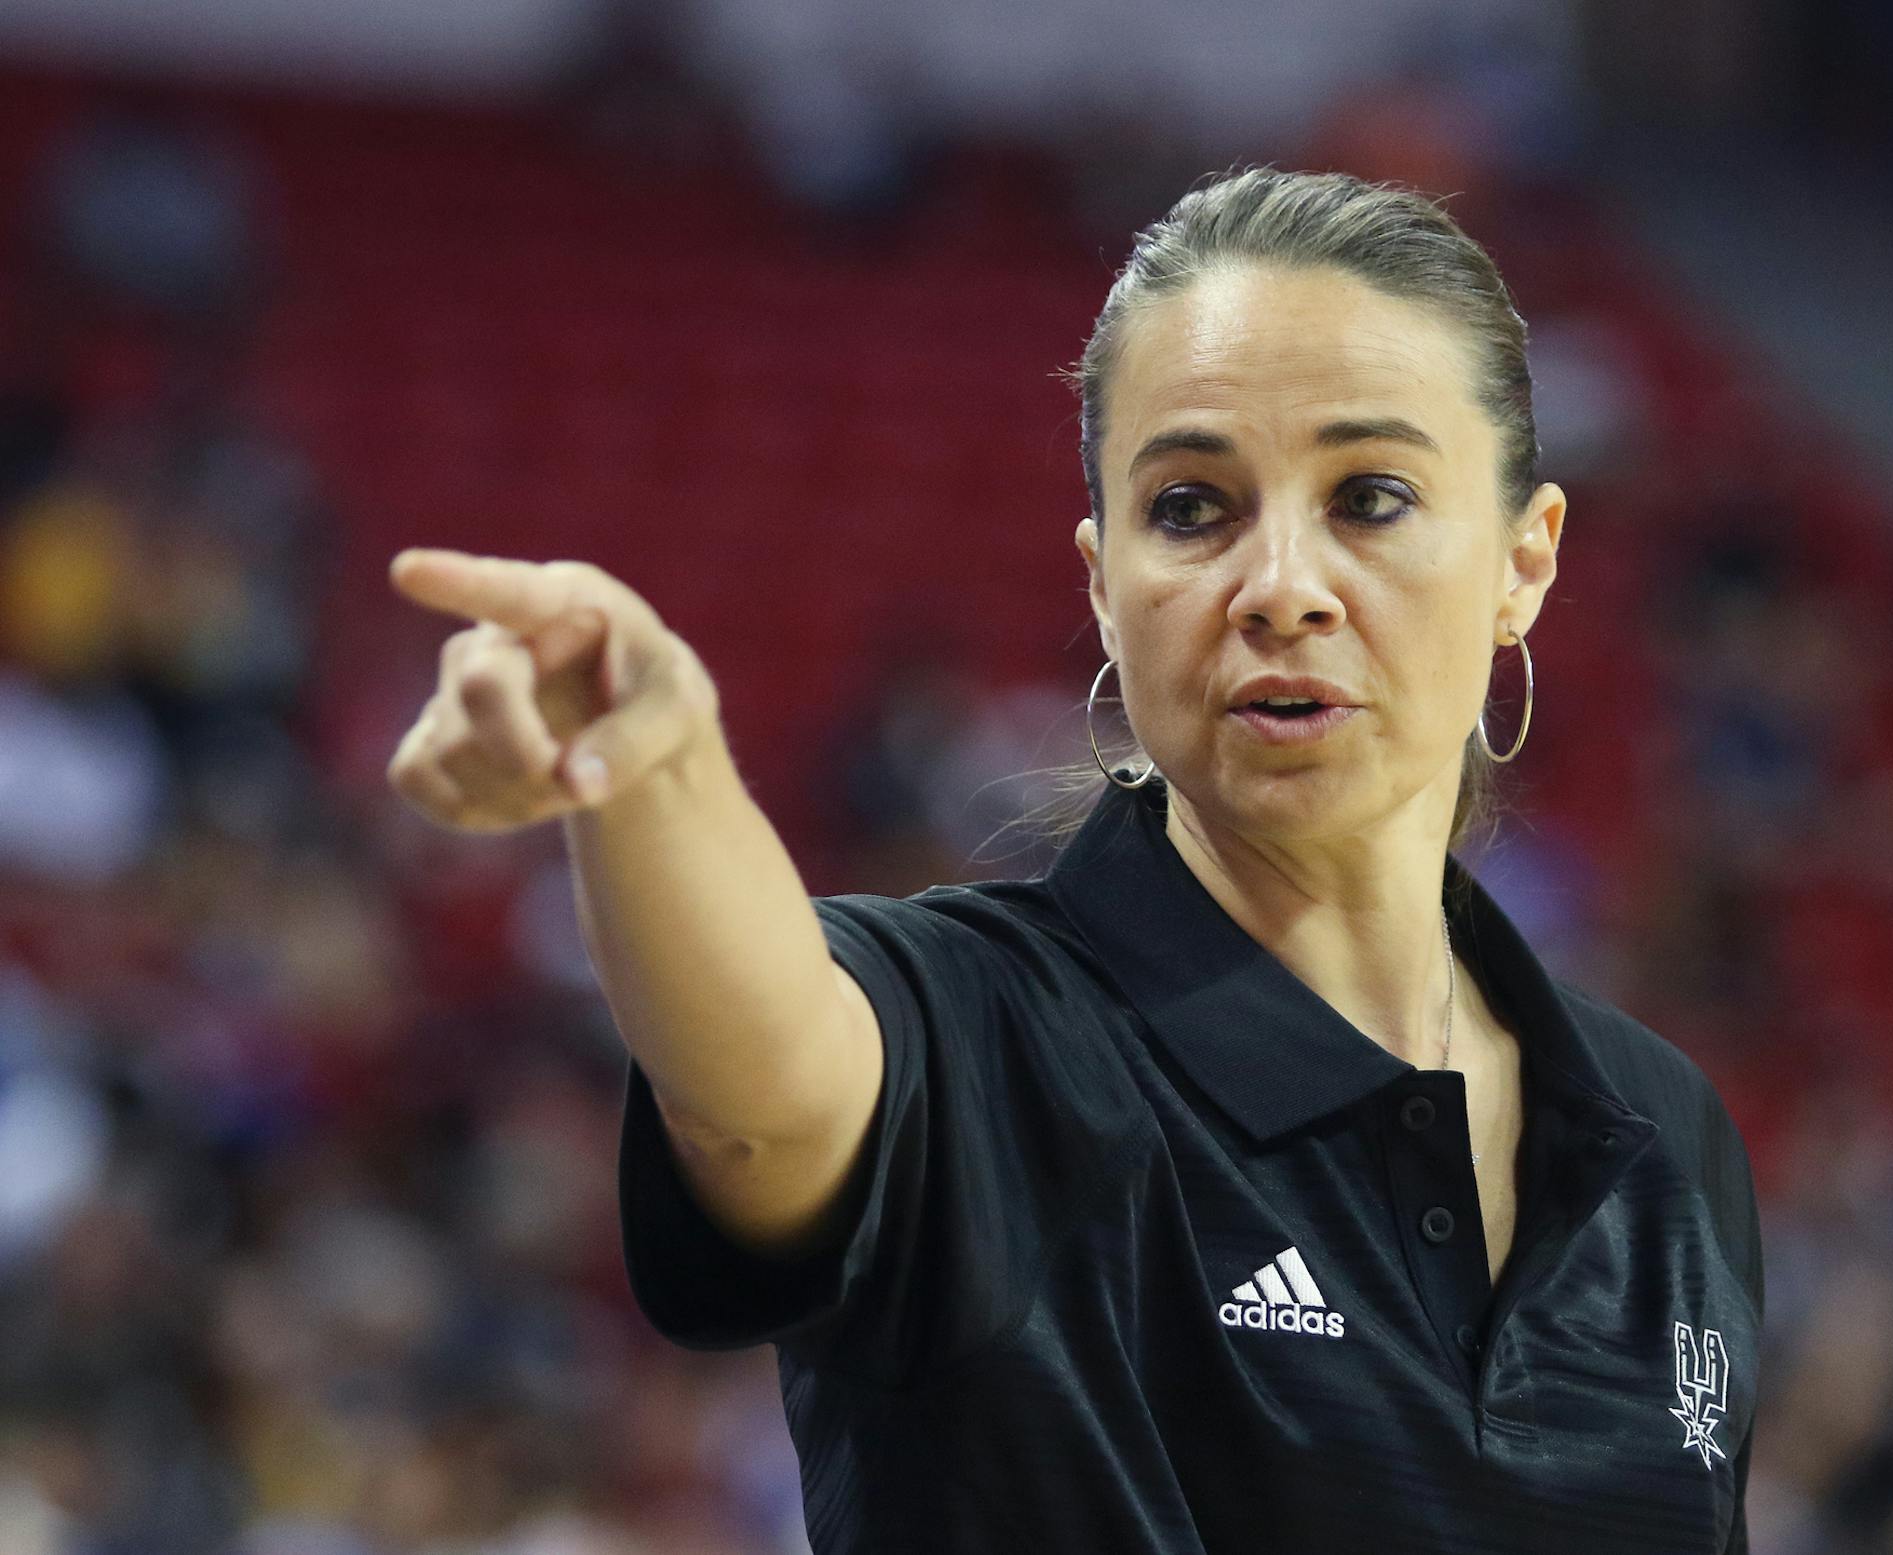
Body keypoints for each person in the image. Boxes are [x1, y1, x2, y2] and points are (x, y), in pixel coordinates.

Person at [386, 166, 1763, 1553]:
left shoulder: (1663, 1134)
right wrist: (655, 769)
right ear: (1105, 585)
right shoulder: (979, 1032)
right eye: (1191, 507)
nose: (1282, 582)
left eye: (1372, 495)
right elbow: (766, 1085)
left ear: (1525, 562)